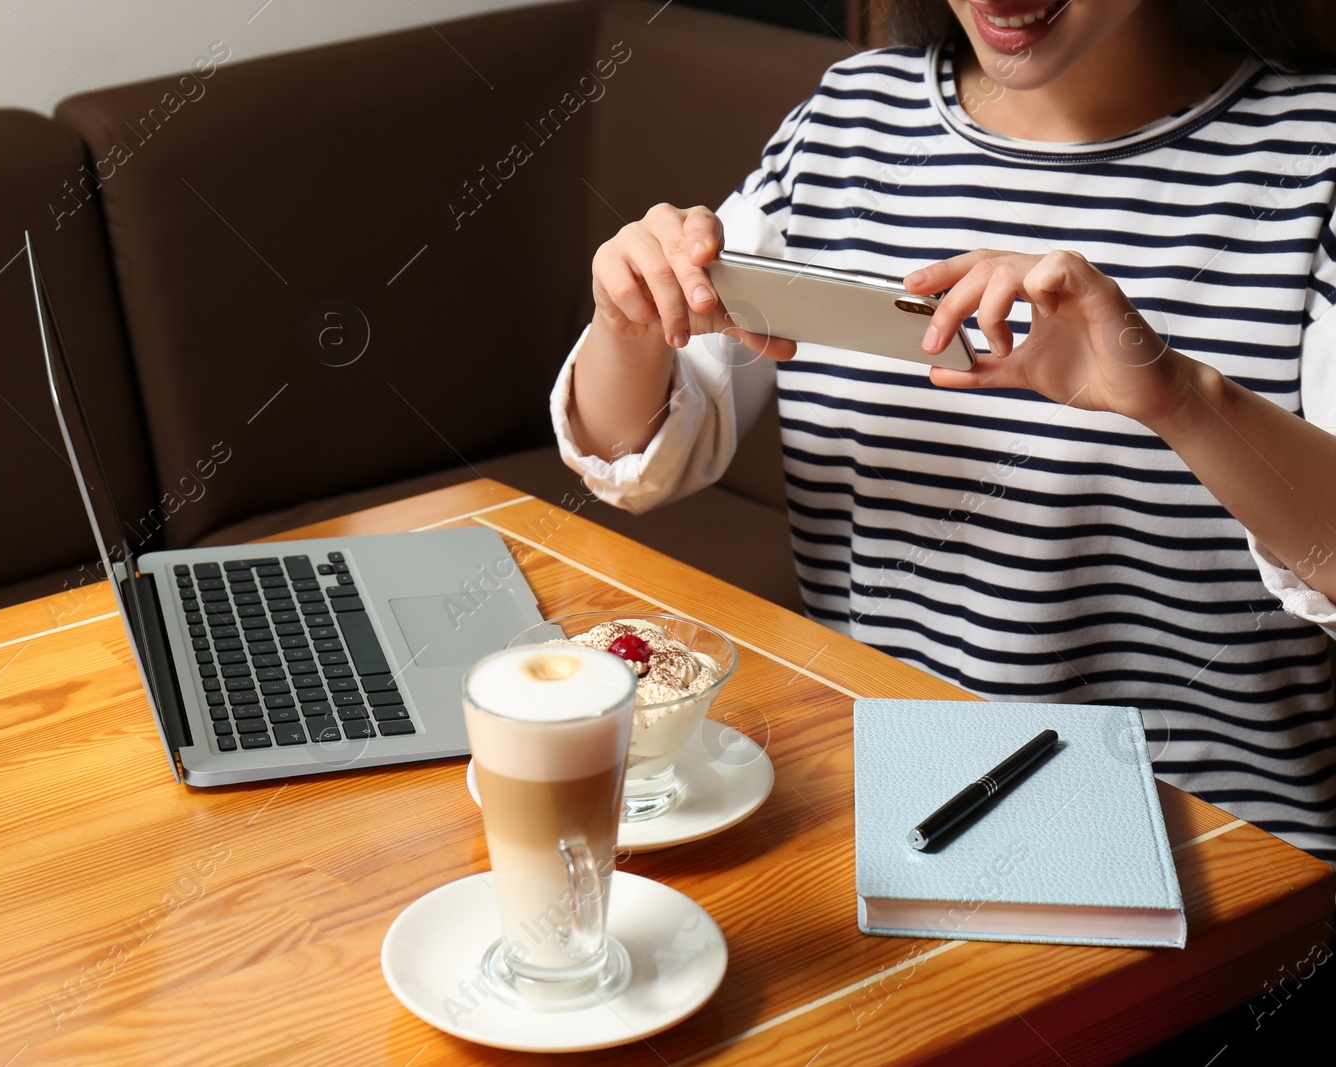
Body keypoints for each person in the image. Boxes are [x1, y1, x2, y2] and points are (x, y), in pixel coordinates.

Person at [553, 0, 1336, 862]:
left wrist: (1179, 397)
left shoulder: (1312, 156)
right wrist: (627, 321)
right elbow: (635, 456)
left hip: (1214, 862)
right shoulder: (849, 120)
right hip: (885, 814)